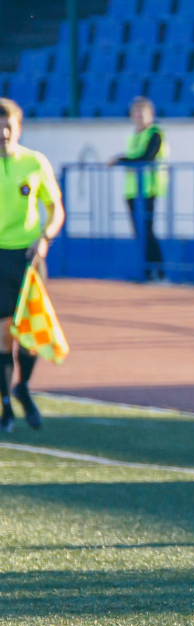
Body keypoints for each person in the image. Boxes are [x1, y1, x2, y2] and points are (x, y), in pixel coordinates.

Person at [0, 98, 63, 433]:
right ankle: (6, 406)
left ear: (18, 129)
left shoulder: (35, 163)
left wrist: (45, 238)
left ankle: (23, 387)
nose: (3, 134)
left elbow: (56, 210)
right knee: (2, 337)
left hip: (28, 257)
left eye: (8, 127)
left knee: (30, 335)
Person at [111, 97, 168, 281]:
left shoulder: (155, 133)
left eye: (142, 113)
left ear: (151, 114)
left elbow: (146, 157)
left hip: (148, 189)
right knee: (139, 231)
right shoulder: (134, 135)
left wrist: (121, 160)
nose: (138, 117)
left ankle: (158, 271)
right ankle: (146, 271)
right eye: (135, 113)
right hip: (132, 190)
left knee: (148, 230)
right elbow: (135, 156)